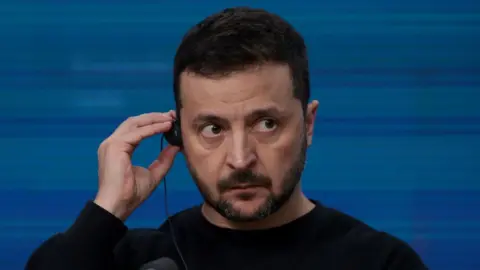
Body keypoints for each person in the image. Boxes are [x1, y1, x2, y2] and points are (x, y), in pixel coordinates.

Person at [25, 6, 427, 270]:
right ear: (178, 135)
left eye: (266, 124)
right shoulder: (139, 260)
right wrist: (107, 209)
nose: (240, 158)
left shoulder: (380, 262)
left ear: (308, 124)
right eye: (213, 129)